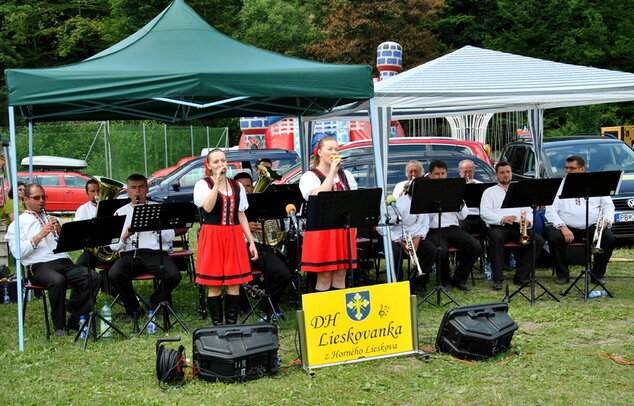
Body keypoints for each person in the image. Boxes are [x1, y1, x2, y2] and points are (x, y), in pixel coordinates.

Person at [6, 184, 101, 337]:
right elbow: (18, 253)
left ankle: (77, 320)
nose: (41, 201)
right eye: (37, 198)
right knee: (57, 281)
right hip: (38, 266)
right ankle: (59, 326)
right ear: (25, 200)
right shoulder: (17, 224)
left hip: (63, 262)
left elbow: (70, 245)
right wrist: (40, 235)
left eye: (44, 197)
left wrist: (62, 232)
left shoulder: (53, 219)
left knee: (93, 277)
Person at [108, 174, 182, 332]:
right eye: (133, 188)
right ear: (127, 191)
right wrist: (126, 236)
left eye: (141, 187)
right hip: (131, 254)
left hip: (155, 253)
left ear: (147, 189)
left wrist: (155, 226)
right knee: (115, 274)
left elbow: (170, 236)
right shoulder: (120, 212)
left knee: (174, 275)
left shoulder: (158, 207)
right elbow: (113, 247)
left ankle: (154, 303)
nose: (137, 192)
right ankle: (133, 310)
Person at [194, 149, 257, 326]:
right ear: (208, 165)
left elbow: (241, 214)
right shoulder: (203, 184)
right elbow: (207, 207)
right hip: (212, 235)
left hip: (234, 235)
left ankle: (231, 324)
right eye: (216, 161)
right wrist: (217, 183)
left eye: (223, 160)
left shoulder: (236, 186)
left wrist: (251, 241)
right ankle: (218, 326)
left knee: (234, 283)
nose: (221, 164)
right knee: (214, 284)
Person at [299, 135, 358, 292]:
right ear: (319, 152)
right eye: (329, 149)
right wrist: (332, 172)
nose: (334, 152)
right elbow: (316, 196)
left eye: (336, 149)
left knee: (341, 274)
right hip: (322, 231)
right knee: (324, 276)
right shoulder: (310, 176)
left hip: (342, 230)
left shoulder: (346, 176)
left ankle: (339, 312)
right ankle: (324, 313)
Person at [545, 155, 615, 285]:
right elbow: (550, 210)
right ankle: (563, 275)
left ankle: (597, 274)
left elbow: (608, 206)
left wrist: (606, 221)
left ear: (582, 169)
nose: (568, 171)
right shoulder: (559, 185)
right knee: (554, 237)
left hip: (592, 226)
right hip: (567, 227)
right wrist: (562, 227)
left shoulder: (597, 183)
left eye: (572, 168)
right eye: (566, 168)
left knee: (609, 238)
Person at [234, 172, 292, 317]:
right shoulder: (230, 204)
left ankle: (267, 305)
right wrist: (244, 226)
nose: (246, 189)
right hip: (237, 247)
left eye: (248, 186)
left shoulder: (259, 203)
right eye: (242, 186)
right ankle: (243, 305)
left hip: (259, 246)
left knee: (283, 274)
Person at [480, 162, 545, 290]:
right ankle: (498, 278)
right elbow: (484, 213)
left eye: (508, 172)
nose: (505, 175)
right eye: (502, 172)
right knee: (495, 238)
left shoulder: (520, 190)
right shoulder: (489, 192)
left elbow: (529, 210)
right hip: (499, 226)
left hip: (518, 226)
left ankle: (521, 276)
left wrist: (528, 222)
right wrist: (502, 219)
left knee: (538, 241)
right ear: (496, 174)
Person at [423, 160, 481, 291]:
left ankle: (459, 279)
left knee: (475, 247)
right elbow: (424, 218)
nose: (440, 177)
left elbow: (463, 216)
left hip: (453, 228)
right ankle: (445, 281)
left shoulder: (453, 188)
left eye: (443, 173)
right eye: (437, 174)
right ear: (430, 174)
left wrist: (458, 202)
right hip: (434, 229)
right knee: (441, 251)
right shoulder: (426, 191)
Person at [388, 181, 435, 293]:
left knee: (431, 250)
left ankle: (417, 283)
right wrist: (402, 244)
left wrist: (417, 240)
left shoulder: (423, 203)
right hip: (395, 238)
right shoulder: (400, 205)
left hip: (414, 237)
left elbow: (425, 224)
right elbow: (383, 228)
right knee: (395, 253)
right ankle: (399, 285)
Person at [457, 159, 485, 235]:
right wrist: (466, 187)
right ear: (460, 172)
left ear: (474, 172)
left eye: (470, 172)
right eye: (465, 172)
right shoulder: (456, 186)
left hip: (478, 216)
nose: (468, 174)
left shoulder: (480, 185)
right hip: (464, 218)